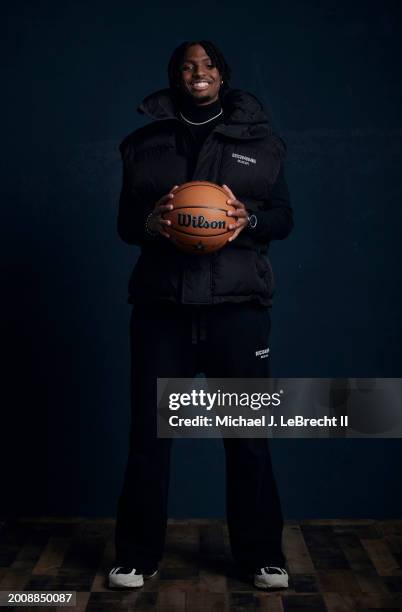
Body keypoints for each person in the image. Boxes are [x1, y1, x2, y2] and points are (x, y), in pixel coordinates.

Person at [108, 40, 293, 591]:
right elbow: (123, 225)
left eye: (208, 65)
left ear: (222, 75)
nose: (198, 72)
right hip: (162, 308)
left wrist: (247, 223)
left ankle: (262, 555)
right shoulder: (143, 144)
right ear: (175, 76)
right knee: (149, 435)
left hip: (237, 309)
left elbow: (284, 217)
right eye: (188, 66)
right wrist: (151, 224)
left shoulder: (262, 143)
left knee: (247, 435)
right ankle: (137, 555)